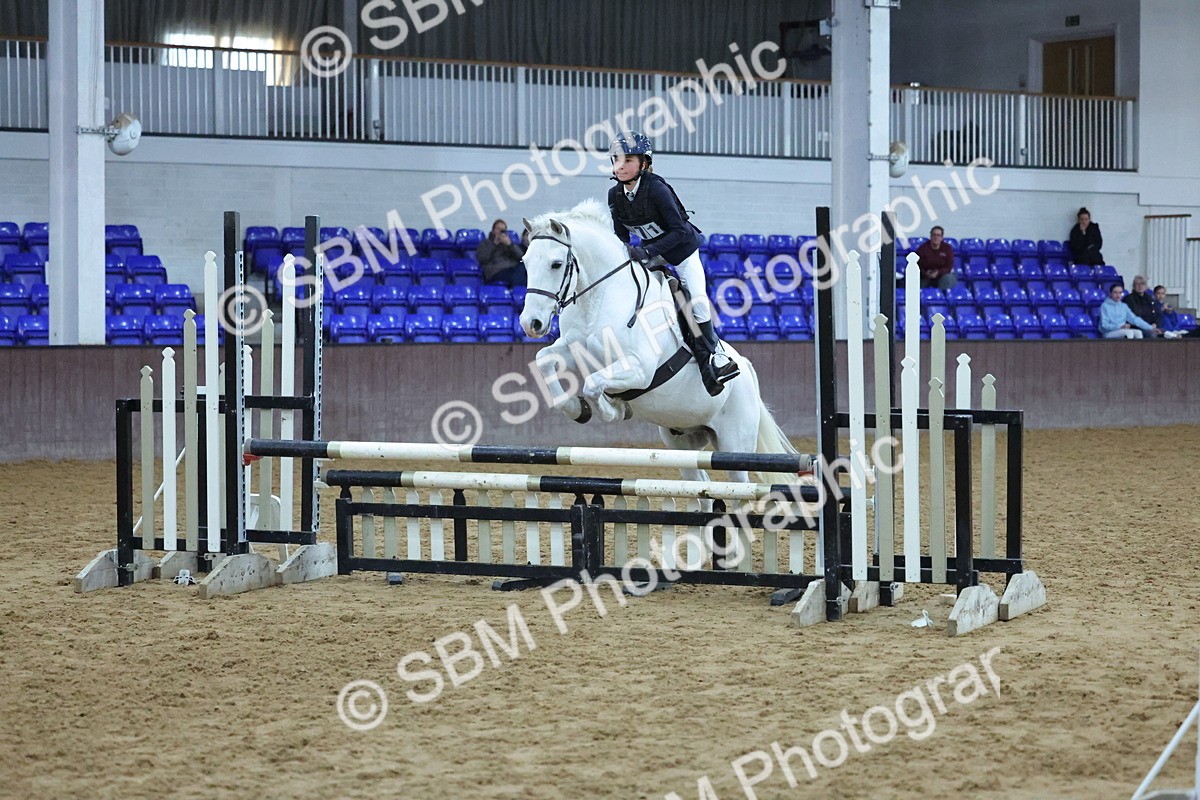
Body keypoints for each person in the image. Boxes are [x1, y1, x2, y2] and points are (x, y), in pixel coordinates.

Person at [607, 131, 738, 395]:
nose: (621, 165)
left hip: (682, 253)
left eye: (628, 160)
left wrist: (647, 252)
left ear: (644, 163)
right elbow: (620, 236)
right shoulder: (615, 195)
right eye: (616, 159)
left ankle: (717, 357)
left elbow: (679, 231)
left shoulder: (657, 189)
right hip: (651, 254)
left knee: (697, 302)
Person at [476, 219, 526, 287]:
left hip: (511, 269)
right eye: (498, 229)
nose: (500, 232)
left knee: (522, 267)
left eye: (503, 230)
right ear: (493, 230)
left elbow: (521, 257)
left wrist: (510, 245)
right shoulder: (485, 243)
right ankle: (517, 293)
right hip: (495, 272)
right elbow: (483, 258)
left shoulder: (509, 243)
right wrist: (494, 244)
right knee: (518, 276)